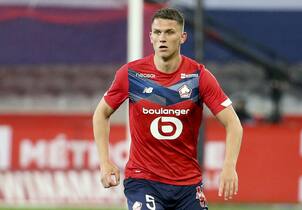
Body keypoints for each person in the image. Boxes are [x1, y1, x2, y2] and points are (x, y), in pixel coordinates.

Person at [93, 8, 243, 210]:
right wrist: (105, 162)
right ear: (150, 36)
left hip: (187, 184)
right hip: (143, 180)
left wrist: (229, 166)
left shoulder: (198, 76)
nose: (162, 38)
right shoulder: (131, 74)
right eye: (157, 32)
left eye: (169, 32)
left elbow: (233, 124)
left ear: (182, 37)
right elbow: (101, 114)